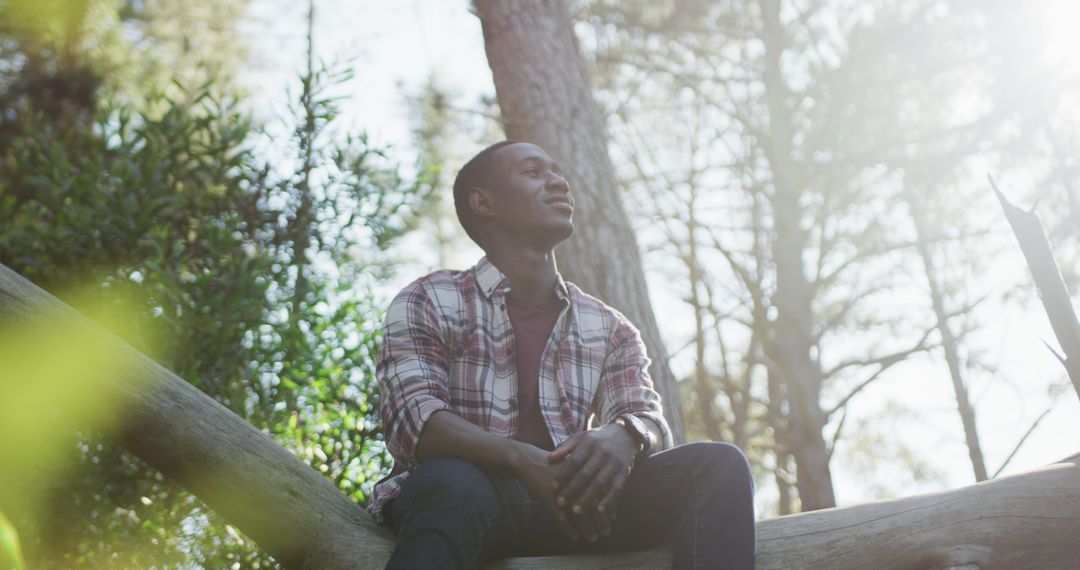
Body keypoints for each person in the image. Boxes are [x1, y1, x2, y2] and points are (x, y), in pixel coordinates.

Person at [371, 140, 756, 569]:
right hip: (468, 499)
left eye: (557, 173)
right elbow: (416, 423)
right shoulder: (429, 298)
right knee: (452, 482)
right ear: (484, 202)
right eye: (534, 173)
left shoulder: (609, 326)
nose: (558, 182)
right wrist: (521, 459)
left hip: (578, 507)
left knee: (716, 468)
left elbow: (647, 417)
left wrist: (625, 434)